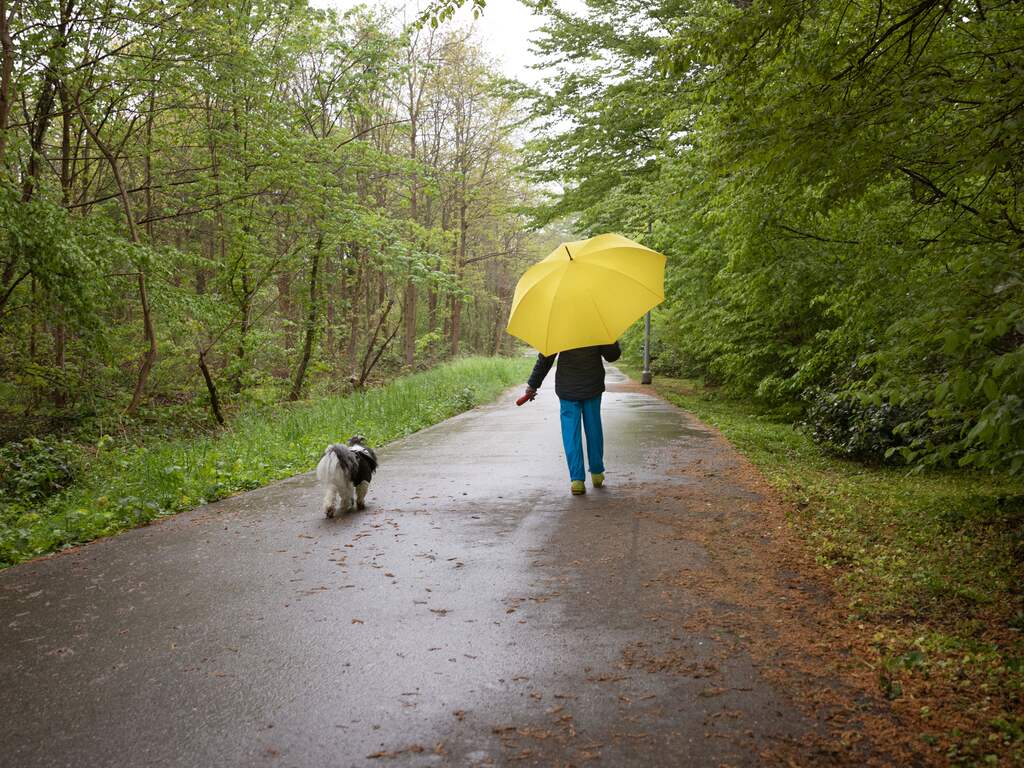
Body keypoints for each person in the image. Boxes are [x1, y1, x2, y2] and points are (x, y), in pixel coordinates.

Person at [523, 342, 621, 495]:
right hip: (592, 385)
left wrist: (533, 385)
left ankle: (577, 481)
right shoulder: (596, 324)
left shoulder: (560, 325)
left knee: (570, 433)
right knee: (594, 428)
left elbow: (546, 358)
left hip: (567, 387)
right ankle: (596, 473)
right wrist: (611, 339)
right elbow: (612, 355)